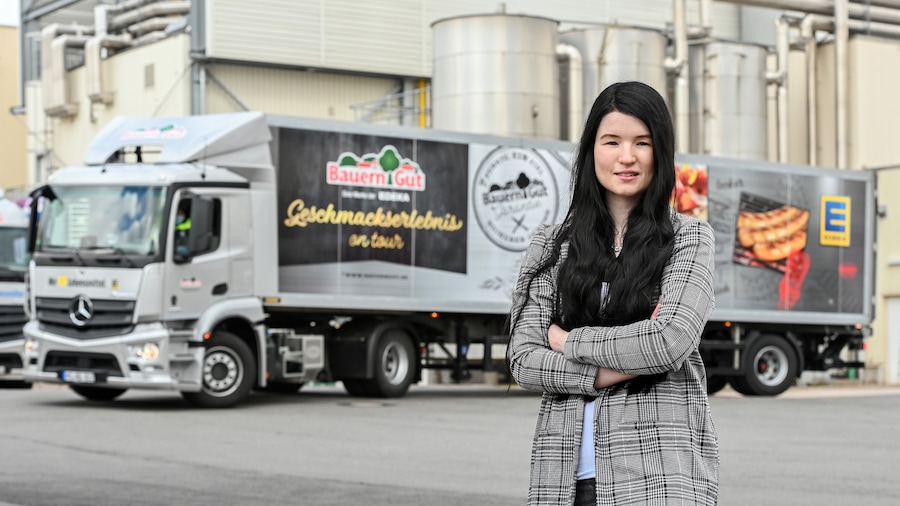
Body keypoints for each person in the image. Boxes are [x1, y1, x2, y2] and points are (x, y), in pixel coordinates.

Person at [507, 81, 718, 506]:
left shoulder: (689, 239)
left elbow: (668, 340)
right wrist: (612, 369)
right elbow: (524, 359)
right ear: (591, 151)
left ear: (661, 152)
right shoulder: (552, 245)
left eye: (642, 142)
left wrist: (570, 341)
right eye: (612, 141)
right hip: (565, 482)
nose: (627, 156)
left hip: (659, 478)